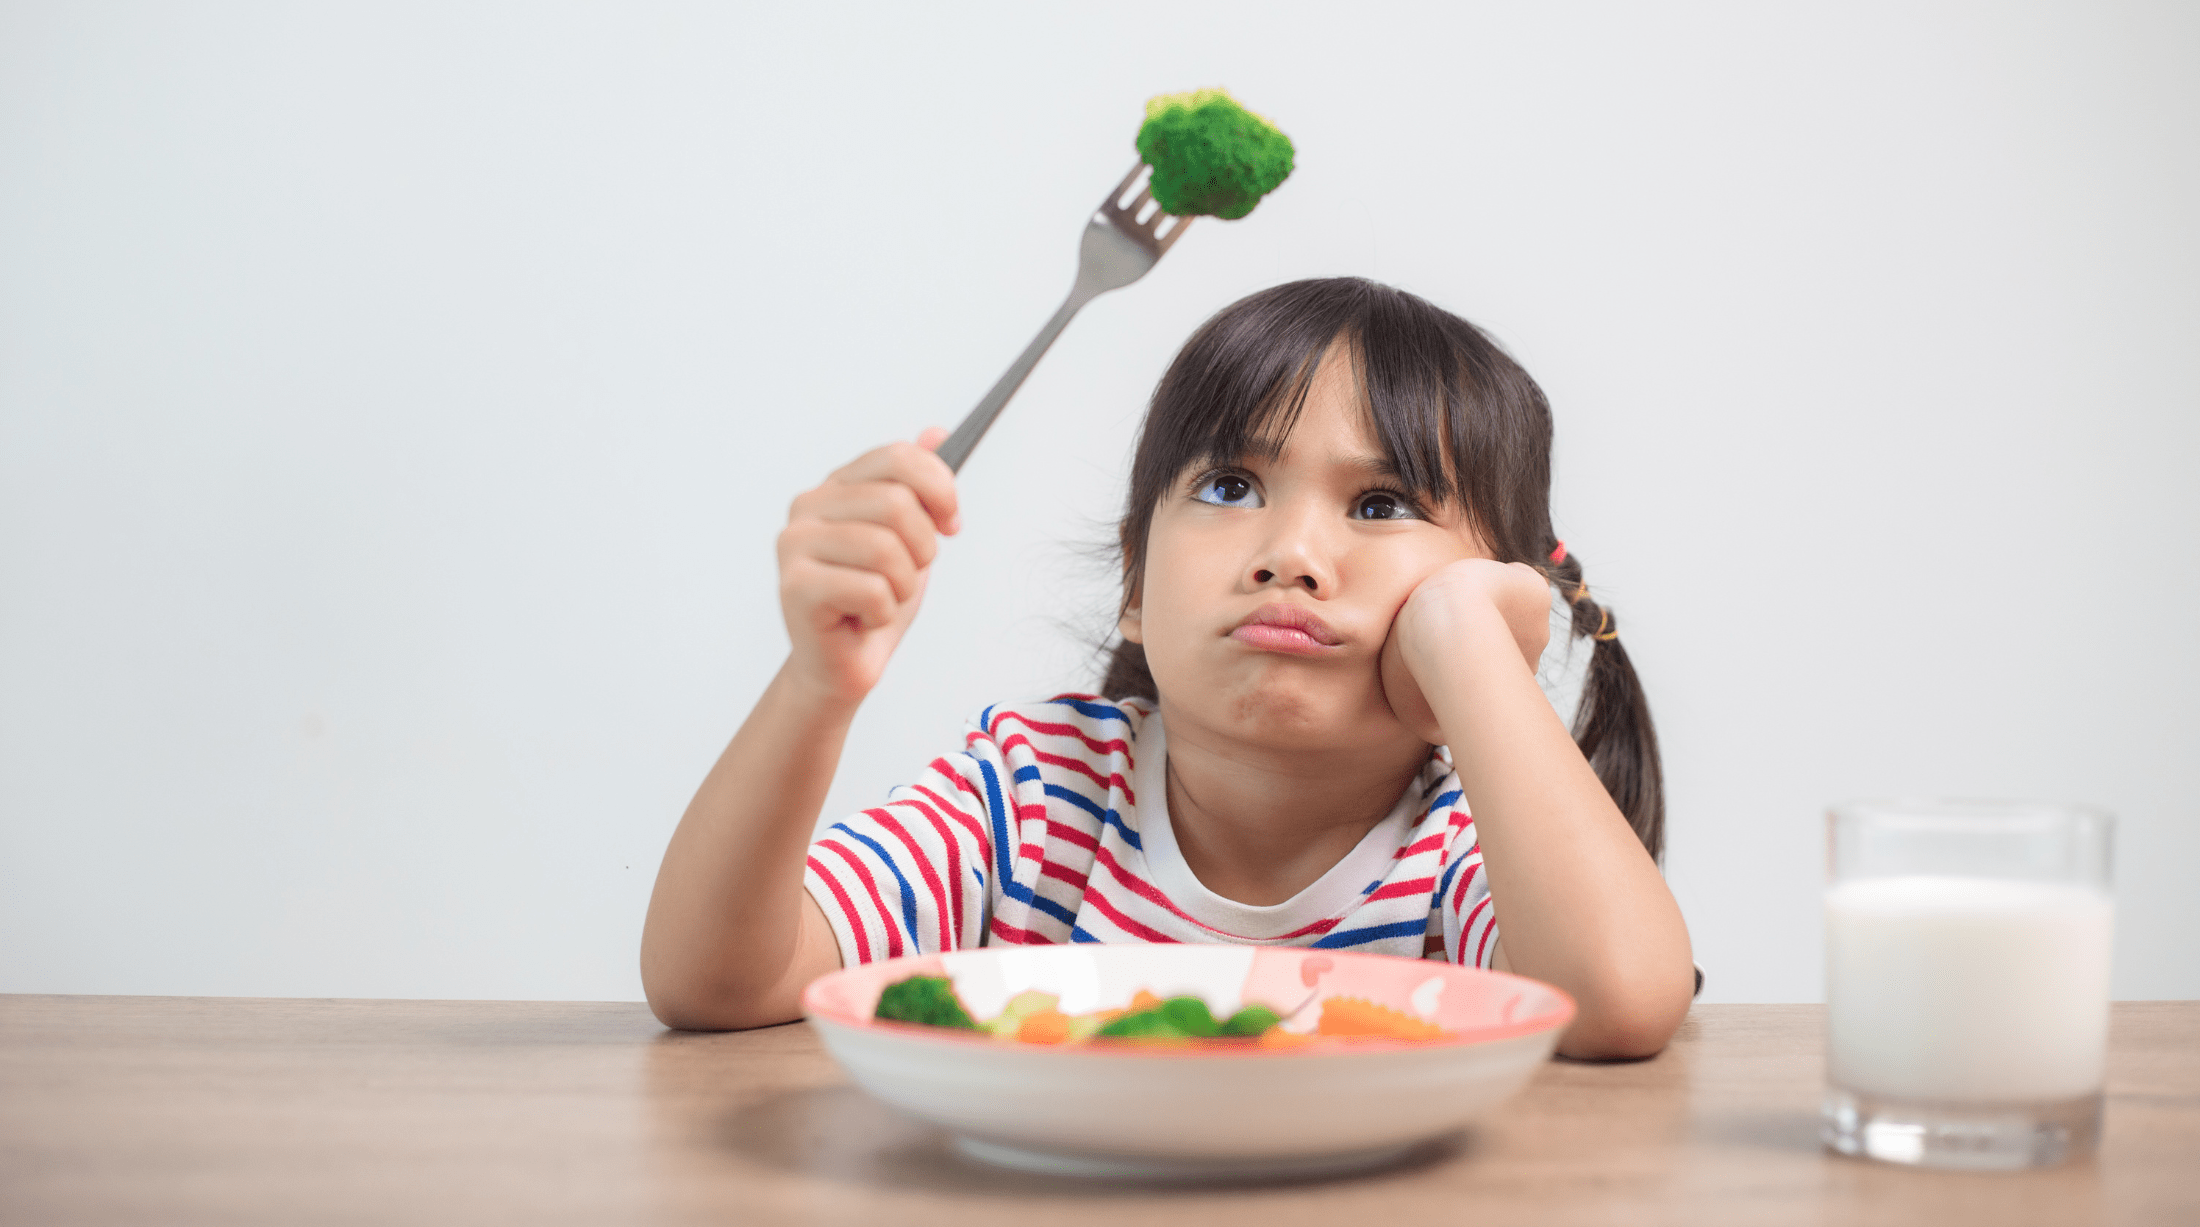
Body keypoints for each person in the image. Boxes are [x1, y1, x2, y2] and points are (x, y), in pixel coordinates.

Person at [641, 278, 1696, 1058]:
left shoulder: (1470, 846)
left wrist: (1471, 648)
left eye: (1380, 506)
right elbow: (717, 982)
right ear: (1135, 583)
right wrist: (816, 691)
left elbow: (1617, 1003)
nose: (1290, 553)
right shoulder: (1033, 795)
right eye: (1232, 487)